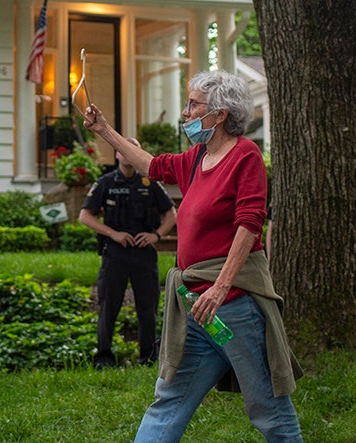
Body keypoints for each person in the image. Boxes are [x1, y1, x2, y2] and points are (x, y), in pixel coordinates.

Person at [84, 71, 302, 442]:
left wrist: (220, 288)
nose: (185, 113)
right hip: (195, 305)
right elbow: (151, 165)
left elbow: (249, 226)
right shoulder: (195, 158)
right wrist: (105, 129)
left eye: (193, 104)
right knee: (168, 401)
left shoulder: (244, 156)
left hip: (233, 306)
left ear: (219, 114)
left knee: (268, 408)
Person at [79, 137, 177, 369]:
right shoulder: (105, 183)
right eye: (124, 150)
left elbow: (171, 214)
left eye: (134, 150)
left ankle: (148, 358)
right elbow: (85, 216)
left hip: (143, 253)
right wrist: (112, 234)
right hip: (115, 252)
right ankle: (103, 358)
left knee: (147, 307)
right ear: (117, 155)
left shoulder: (151, 184)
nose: (128, 154)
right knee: (108, 305)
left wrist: (157, 236)